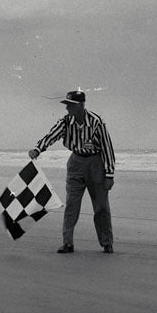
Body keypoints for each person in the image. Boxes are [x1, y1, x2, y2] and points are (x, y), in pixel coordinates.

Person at [29, 90, 116, 253]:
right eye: (67, 105)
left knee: (101, 206)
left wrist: (109, 174)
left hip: (96, 164)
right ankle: (68, 243)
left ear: (82, 106)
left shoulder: (97, 122)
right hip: (75, 163)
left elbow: (107, 148)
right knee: (72, 205)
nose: (67, 109)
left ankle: (107, 242)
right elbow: (51, 136)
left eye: (71, 105)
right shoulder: (66, 121)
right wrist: (37, 149)